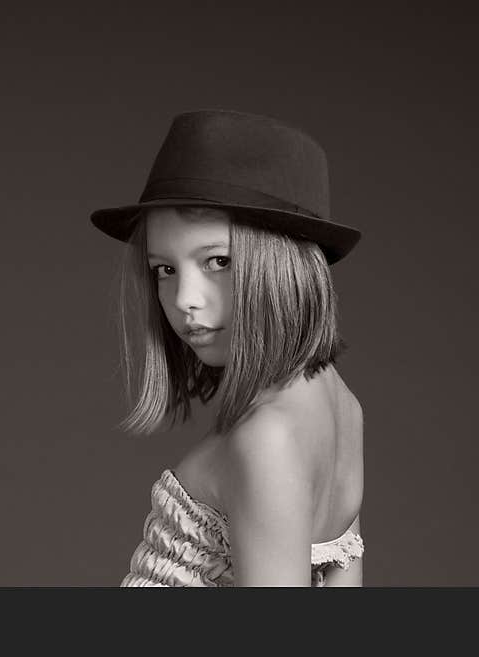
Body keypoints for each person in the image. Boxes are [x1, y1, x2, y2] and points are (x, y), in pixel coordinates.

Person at [90, 110, 365, 587]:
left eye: (218, 261)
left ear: (282, 265)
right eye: (165, 269)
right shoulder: (342, 408)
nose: (184, 301)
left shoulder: (266, 438)